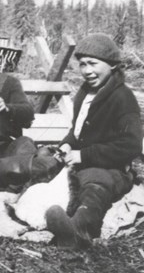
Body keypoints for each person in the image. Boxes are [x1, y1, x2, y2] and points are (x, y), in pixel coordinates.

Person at [44, 34, 142, 249]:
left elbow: (132, 144)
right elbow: (77, 130)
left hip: (113, 170)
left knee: (95, 185)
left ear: (112, 65)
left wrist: (84, 155)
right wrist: (67, 144)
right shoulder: (85, 93)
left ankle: (79, 231)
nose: (87, 71)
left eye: (93, 64)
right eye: (82, 65)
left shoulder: (122, 97)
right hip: (81, 163)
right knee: (42, 160)